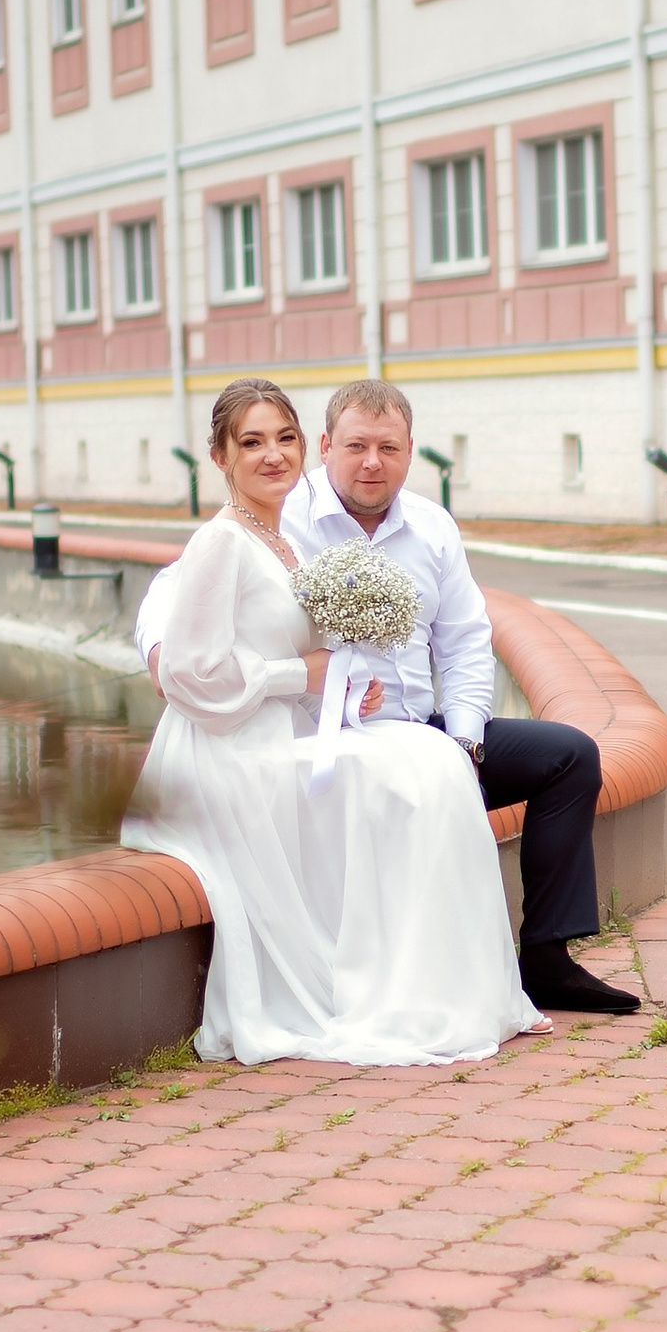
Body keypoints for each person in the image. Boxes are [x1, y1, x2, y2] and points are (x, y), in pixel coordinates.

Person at [119, 377, 541, 1068]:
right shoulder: (222, 542)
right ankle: (400, 984)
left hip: (282, 733)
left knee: (434, 760)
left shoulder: (280, 539)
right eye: (251, 442)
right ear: (220, 456)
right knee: (416, 773)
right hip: (230, 752)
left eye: (283, 438)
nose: (273, 455)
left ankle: (431, 982)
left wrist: (344, 690)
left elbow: (454, 639)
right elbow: (189, 678)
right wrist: (303, 675)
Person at [284, 381, 640, 1019]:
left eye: (388, 448)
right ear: (325, 445)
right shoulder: (287, 523)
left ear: (410, 450)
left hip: (425, 730)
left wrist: (467, 740)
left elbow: (466, 645)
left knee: (568, 755)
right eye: (357, 446)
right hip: (329, 744)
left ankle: (547, 958)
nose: (372, 462)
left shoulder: (430, 525)